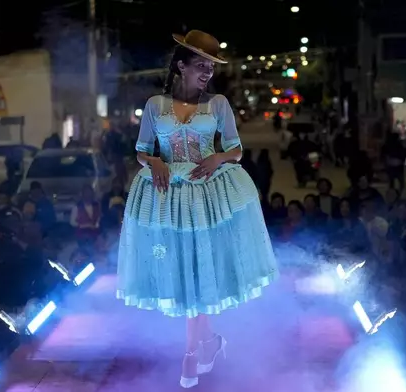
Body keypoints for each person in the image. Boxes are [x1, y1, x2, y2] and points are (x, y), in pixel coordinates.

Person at [117, 30, 278, 388]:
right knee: (186, 273)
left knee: (199, 271)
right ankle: (210, 342)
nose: (207, 72)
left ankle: (192, 353)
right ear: (181, 66)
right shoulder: (155, 106)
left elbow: (236, 150)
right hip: (170, 198)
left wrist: (218, 157)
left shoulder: (218, 104)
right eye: (201, 65)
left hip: (208, 194)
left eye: (211, 66)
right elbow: (142, 150)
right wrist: (154, 162)